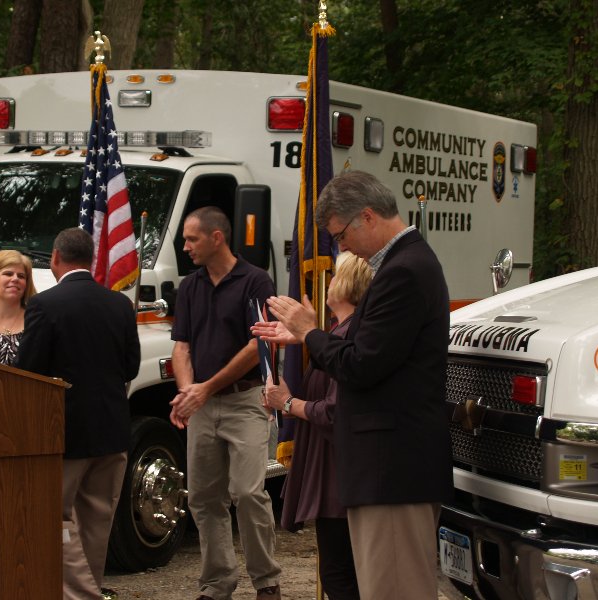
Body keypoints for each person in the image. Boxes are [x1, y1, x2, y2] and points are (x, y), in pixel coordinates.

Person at [253, 171, 454, 600]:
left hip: (393, 470)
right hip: (388, 469)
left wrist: (310, 332)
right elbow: (371, 351)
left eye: (341, 236)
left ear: (367, 216)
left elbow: (362, 365)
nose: (342, 248)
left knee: (394, 591)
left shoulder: (404, 271)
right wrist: (309, 337)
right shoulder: (402, 266)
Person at [15, 227, 140, 600]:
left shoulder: (44, 305)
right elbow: (131, 367)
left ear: (55, 257)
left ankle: (82, 594)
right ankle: (90, 585)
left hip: (64, 431)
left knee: (52, 516)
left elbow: (29, 369)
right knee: (97, 519)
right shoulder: (120, 304)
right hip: (112, 429)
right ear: (92, 259)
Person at [169, 206, 282, 600]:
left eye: (192, 239)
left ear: (216, 237)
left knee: (248, 492)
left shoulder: (256, 280)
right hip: (203, 406)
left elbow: (258, 345)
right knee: (203, 498)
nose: (185, 247)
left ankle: (266, 581)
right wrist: (188, 393)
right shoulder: (189, 286)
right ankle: (217, 584)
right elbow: (181, 347)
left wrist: (206, 388)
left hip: (246, 401)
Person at [262, 251, 370, 600]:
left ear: (349, 283)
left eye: (335, 275)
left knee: (340, 576)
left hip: (341, 475)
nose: (328, 282)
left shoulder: (351, 335)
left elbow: (335, 412)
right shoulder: (340, 332)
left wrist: (287, 403)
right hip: (338, 473)